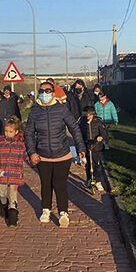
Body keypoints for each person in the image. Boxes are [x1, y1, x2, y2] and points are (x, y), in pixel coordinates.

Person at [25, 81, 86, 228]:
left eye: (48, 91)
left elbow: (74, 128)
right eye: (42, 90)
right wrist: (32, 152)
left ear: (53, 92)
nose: (45, 93)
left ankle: (63, 212)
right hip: (42, 155)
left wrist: (80, 147)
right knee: (46, 184)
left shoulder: (61, 109)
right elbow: (28, 133)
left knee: (60, 184)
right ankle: (46, 210)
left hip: (62, 155)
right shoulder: (34, 111)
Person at [0, 117, 27, 228]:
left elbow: (26, 156)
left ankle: (12, 218)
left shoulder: (21, 144)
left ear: (16, 132)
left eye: (10, 131)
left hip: (15, 174)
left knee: (13, 196)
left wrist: (35, 158)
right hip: (2, 174)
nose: (7, 133)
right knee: (2, 194)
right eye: (6, 131)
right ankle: (4, 206)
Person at [80, 107, 110, 193]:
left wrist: (101, 137)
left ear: (92, 115)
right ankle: (89, 179)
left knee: (96, 164)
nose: (87, 117)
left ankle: (97, 181)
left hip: (96, 146)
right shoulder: (82, 123)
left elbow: (104, 133)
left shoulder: (98, 122)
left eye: (89, 115)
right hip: (87, 145)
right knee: (88, 164)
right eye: (86, 115)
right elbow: (79, 134)